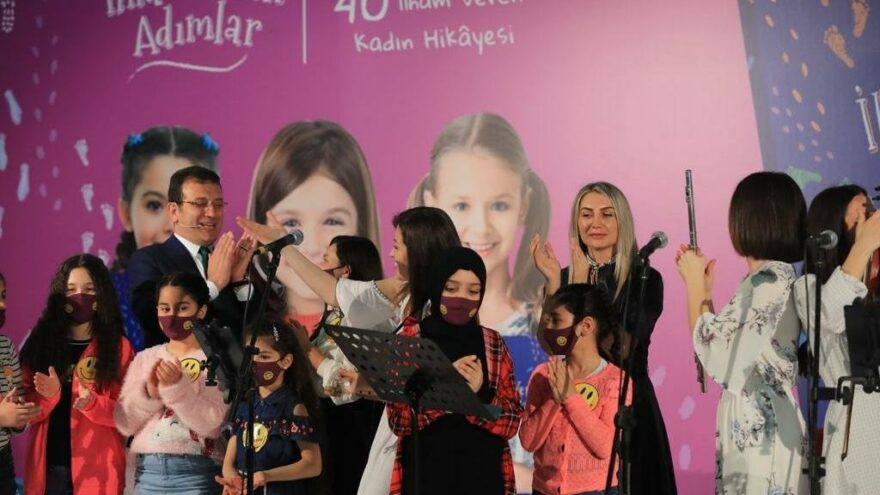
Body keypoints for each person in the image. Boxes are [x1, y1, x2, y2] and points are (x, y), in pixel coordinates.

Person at [237, 206, 460, 495]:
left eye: (396, 246)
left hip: (430, 434)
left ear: (419, 250)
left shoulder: (446, 306)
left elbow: (434, 384)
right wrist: (285, 246)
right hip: (395, 425)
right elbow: (334, 292)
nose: (390, 254)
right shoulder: (403, 293)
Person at [410, 112, 550, 489]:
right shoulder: (416, 322)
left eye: (499, 205)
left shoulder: (542, 328)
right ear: (432, 203)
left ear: (524, 204)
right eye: (461, 206)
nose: (481, 226)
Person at [531, 181, 676, 494]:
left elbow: (622, 349)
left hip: (627, 409)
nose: (595, 223)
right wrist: (554, 283)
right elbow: (552, 346)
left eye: (607, 214)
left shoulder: (644, 277)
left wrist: (585, 289)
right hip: (573, 407)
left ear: (622, 222)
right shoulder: (567, 275)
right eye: (586, 214)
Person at [676, 171, 807, 493]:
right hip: (757, 421)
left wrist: (694, 282)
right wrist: (702, 292)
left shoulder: (769, 280)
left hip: (763, 428)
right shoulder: (765, 279)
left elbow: (719, 354)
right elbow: (715, 347)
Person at [386, 246, 523, 495]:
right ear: (437, 287)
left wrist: (478, 398)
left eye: (473, 291)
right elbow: (399, 420)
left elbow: (511, 422)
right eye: (451, 288)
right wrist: (446, 395)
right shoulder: (410, 340)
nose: (462, 298)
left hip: (484, 478)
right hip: (425, 477)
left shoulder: (492, 343)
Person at [247, 120, 382, 333]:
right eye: (291, 223)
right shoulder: (247, 324)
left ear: (361, 228)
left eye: (332, 221)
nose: (312, 246)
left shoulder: (386, 321)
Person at [19, 255, 136, 495]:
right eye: (71, 290)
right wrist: (49, 396)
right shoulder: (40, 344)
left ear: (102, 294)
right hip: (49, 470)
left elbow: (129, 414)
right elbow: (23, 411)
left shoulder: (119, 347)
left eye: (89, 289)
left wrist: (93, 404)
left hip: (99, 471)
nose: (80, 296)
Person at [793, 185, 880, 494]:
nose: (869, 221)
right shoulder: (807, 286)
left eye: (871, 212)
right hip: (857, 427)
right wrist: (863, 247)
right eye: (860, 215)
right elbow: (830, 315)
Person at [115, 271, 229, 494]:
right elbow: (124, 422)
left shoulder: (216, 359)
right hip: (148, 473)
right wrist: (149, 395)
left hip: (197, 473)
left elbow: (212, 424)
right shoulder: (146, 358)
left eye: (182, 308)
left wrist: (177, 387)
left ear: (201, 311)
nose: (172, 316)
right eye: (164, 308)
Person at [112, 127, 220, 351]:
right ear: (126, 212)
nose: (170, 223)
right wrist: (214, 286)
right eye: (154, 205)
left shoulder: (223, 262)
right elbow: (156, 321)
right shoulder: (141, 266)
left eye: (208, 204)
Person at [129, 165, 257, 347]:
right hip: (176, 364)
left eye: (218, 205)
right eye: (200, 204)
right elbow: (151, 318)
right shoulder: (149, 259)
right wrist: (213, 286)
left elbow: (257, 331)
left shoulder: (228, 260)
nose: (212, 213)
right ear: (174, 211)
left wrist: (239, 282)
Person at [520, 283, 628, 495]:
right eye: (547, 320)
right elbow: (528, 441)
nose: (549, 327)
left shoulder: (616, 380)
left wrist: (570, 396)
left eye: (556, 320)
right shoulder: (543, 375)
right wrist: (553, 398)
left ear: (585, 326)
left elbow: (605, 447)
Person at [305, 236, 384, 495]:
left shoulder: (364, 319)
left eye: (326, 260)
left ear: (346, 270)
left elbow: (348, 388)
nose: (320, 267)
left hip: (352, 424)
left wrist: (309, 351)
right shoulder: (333, 313)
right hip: (327, 419)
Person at [216, 318, 323, 495]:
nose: (255, 363)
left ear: (285, 361)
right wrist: (234, 482)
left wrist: (267, 475)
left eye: (264, 356)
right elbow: (229, 462)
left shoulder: (293, 407)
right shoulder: (244, 404)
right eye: (250, 356)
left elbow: (313, 465)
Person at [0, 272, 41, 495]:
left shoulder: (6, 347)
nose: (2, 304)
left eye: (3, 295)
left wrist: (19, 416)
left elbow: (18, 399)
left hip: (3, 462)